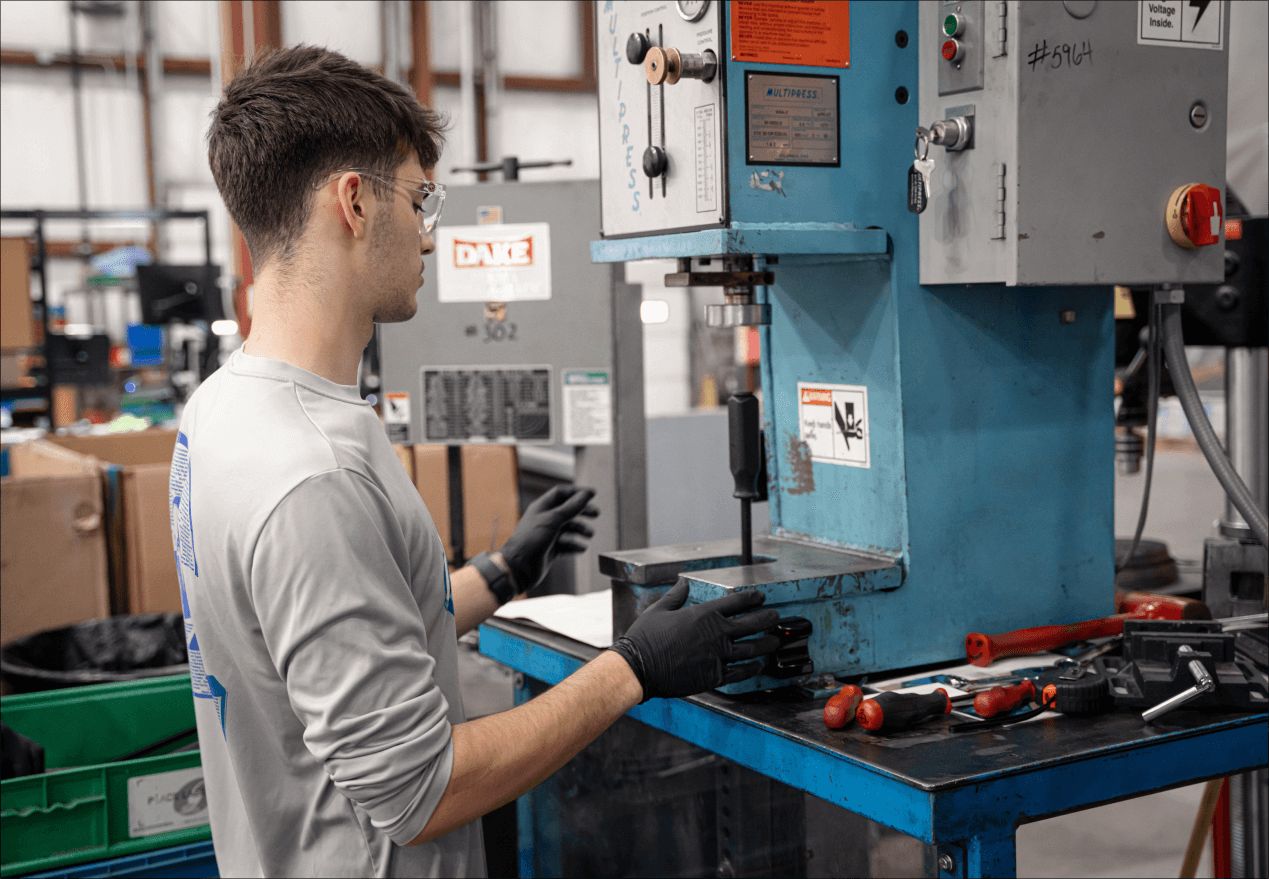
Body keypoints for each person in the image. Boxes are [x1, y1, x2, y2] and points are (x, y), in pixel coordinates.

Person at [170, 45, 782, 878]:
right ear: (353, 201)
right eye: (420, 199)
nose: (430, 235)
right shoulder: (311, 474)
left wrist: (495, 573)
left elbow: (325, 641)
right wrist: (632, 669)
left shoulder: (224, 411)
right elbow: (418, 791)